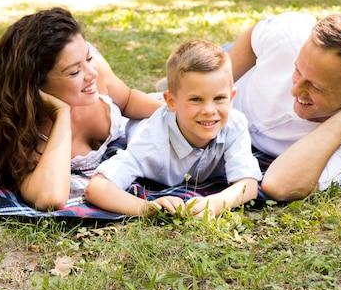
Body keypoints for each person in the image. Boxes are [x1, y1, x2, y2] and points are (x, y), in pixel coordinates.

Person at [0, 7, 162, 211]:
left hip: (143, 124)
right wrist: (61, 114)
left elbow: (127, 100)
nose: (92, 73)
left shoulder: (94, 71)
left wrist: (176, 109)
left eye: (89, 57)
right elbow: (51, 198)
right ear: (36, 85)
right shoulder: (25, 136)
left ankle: (167, 91)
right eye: (74, 72)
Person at [85, 40, 262, 217]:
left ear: (231, 98)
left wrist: (217, 202)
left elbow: (248, 184)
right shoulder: (151, 142)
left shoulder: (234, 124)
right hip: (137, 119)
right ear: (172, 101)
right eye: (196, 99)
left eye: (219, 98)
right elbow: (98, 188)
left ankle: (182, 93)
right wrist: (149, 208)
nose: (209, 110)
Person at [227, 11, 341, 201]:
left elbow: (279, 185)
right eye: (297, 71)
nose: (295, 91)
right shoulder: (289, 35)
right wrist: (216, 89)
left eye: (315, 86)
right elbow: (254, 37)